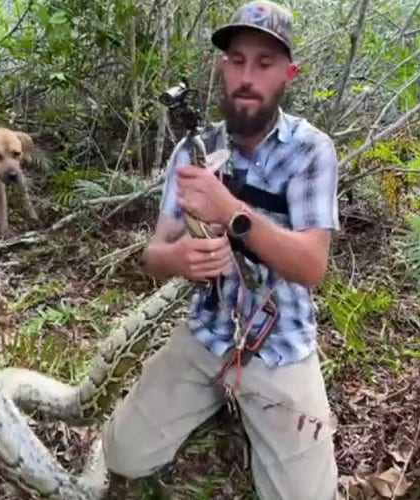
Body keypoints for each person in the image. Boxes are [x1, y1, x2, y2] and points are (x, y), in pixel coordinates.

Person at [101, 1, 340, 498]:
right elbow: (154, 252)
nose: (247, 76)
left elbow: (312, 265)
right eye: (236, 59)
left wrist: (231, 209)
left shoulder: (310, 150)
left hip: (280, 346)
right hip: (207, 333)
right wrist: (179, 257)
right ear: (221, 66)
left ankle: (250, 409)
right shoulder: (193, 151)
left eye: (265, 63)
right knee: (123, 455)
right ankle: (214, 400)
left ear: (288, 74)